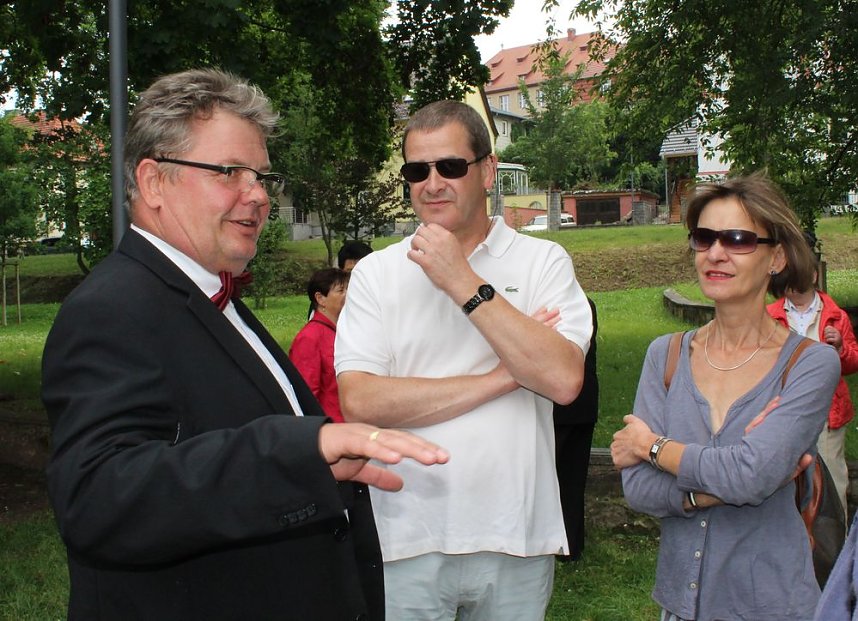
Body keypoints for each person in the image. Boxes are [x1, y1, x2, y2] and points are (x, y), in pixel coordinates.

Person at [41, 68, 448, 621]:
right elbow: (99, 500)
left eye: (259, 175)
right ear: (155, 181)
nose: (257, 195)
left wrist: (319, 465)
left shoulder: (210, 295)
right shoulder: (110, 309)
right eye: (229, 171)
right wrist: (297, 454)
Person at [335, 99, 592, 620]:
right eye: (417, 170)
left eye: (450, 166)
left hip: (516, 534)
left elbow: (563, 379)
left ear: (488, 170)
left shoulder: (544, 260)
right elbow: (361, 400)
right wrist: (506, 375)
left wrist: (463, 281)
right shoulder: (376, 274)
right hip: (407, 536)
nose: (433, 183)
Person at [610, 174, 841, 620]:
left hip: (773, 606)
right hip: (680, 606)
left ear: (776, 257)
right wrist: (721, 485)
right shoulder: (667, 356)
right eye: (704, 238)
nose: (716, 253)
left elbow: (750, 477)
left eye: (737, 239)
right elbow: (638, 487)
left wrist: (652, 447)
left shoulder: (810, 365)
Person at [767, 256, 858, 519]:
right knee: (784, 480)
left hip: (828, 415)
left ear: (814, 277)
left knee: (832, 480)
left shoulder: (836, 316)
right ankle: (792, 541)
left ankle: (833, 546)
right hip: (782, 412)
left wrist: (840, 349)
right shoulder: (770, 317)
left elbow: (852, 363)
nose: (792, 284)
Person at [553, 296, 599, 561]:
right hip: (582, 404)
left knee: (560, 478)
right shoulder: (585, 303)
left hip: (561, 405)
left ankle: (563, 543)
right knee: (571, 478)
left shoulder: (564, 307)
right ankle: (571, 544)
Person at [289, 267, 350, 422]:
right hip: (331, 428)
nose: (347, 295)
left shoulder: (344, 331)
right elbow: (306, 394)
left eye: (348, 289)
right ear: (320, 298)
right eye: (341, 290)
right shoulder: (309, 338)